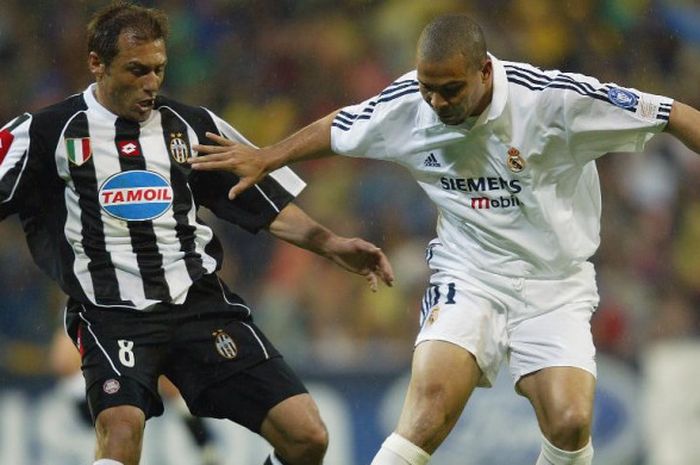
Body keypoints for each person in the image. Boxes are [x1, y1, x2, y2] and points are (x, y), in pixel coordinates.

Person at [190, 13, 700, 465]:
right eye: (427, 88)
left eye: (450, 89)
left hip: (555, 283)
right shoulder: (409, 102)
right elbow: (340, 126)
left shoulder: (553, 101)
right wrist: (268, 156)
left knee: (569, 425)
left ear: (485, 71)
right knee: (428, 411)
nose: (435, 102)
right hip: (468, 273)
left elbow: (672, 113)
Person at [0, 2, 394, 465]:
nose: (150, 83)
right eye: (136, 70)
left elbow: (264, 203)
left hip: (199, 305)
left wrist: (332, 244)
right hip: (111, 314)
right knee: (120, 432)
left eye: (158, 70)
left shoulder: (192, 126)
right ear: (96, 64)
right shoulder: (44, 133)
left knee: (307, 437)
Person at [49, 327, 222, 465]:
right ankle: (205, 447)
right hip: (94, 392)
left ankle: (206, 448)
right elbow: (62, 360)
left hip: (125, 383)